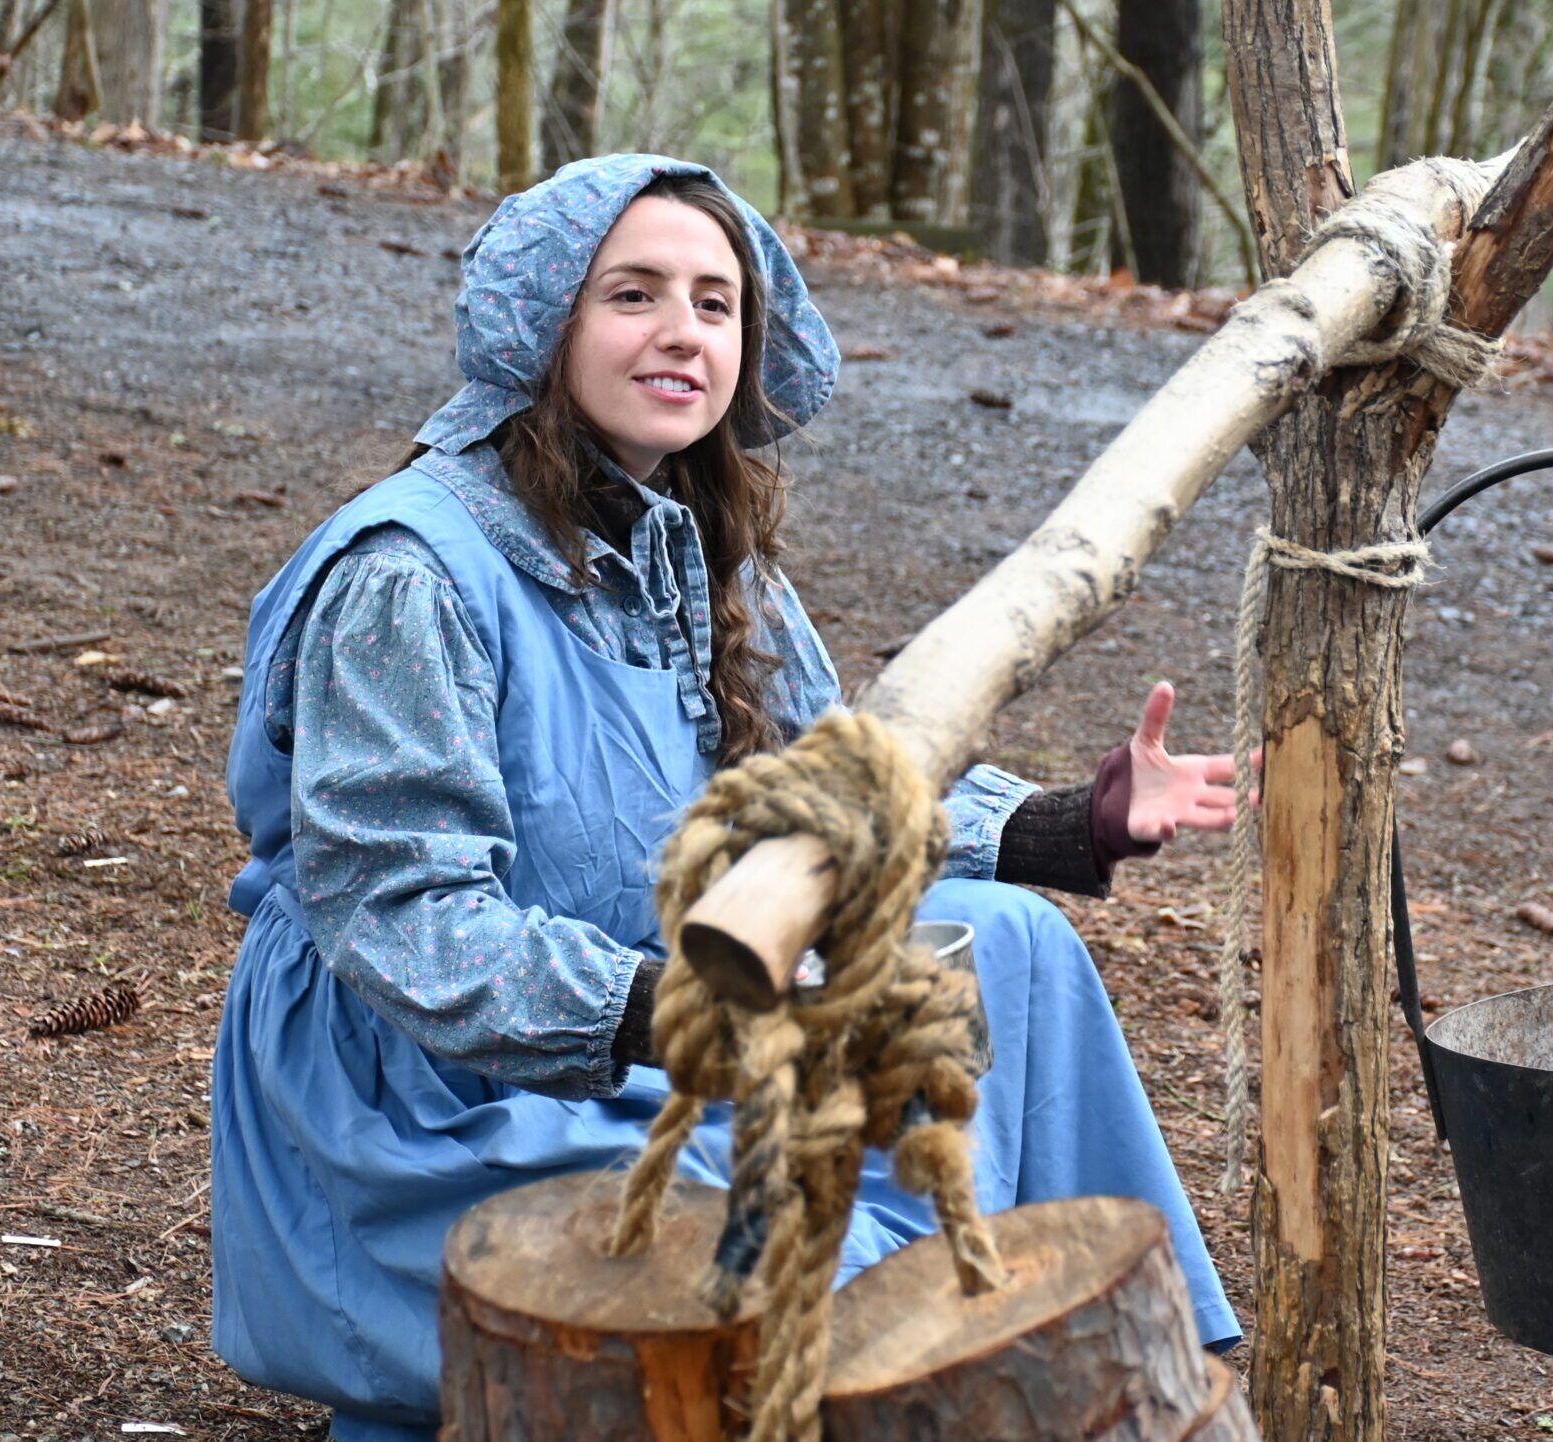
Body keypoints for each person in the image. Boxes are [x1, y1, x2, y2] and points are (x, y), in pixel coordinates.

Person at [211, 154, 1242, 1442]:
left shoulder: (687, 534)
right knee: (824, 1238)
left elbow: (828, 776)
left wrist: (1059, 824)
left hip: (662, 1004)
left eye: (714, 303)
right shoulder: (413, 576)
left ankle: (1146, 1383)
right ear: (542, 323)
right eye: (632, 295)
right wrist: (681, 1014)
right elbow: (406, 926)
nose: (681, 333)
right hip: (441, 1095)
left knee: (1017, 951)